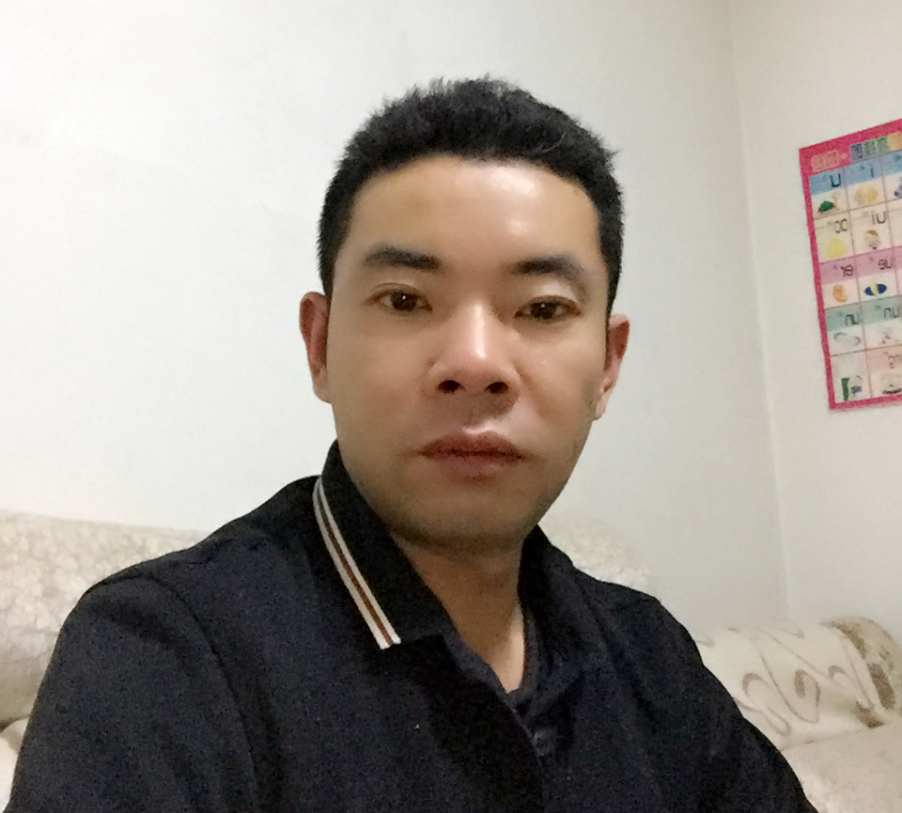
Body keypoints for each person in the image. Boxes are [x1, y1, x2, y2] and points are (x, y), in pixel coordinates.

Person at [6, 78, 814, 812]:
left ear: (608, 365)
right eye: (405, 299)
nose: (475, 363)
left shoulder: (649, 655)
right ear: (320, 347)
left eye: (541, 309)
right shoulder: (164, 658)